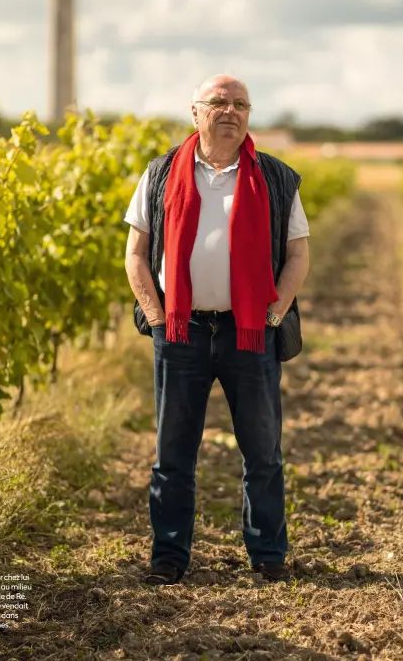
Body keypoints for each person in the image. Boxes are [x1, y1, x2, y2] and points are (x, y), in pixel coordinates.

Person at [124, 74, 310, 585]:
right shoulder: (161, 172)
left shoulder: (276, 178)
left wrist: (273, 316)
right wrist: (159, 319)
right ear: (196, 112)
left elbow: (297, 256)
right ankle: (168, 557)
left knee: (263, 451)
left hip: (249, 333)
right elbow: (135, 255)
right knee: (172, 454)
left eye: (240, 104)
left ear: (249, 114)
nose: (230, 111)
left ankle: (268, 557)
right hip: (180, 333)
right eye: (219, 103)